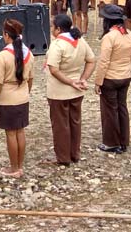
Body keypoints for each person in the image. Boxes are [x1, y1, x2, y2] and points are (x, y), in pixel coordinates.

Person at [45, 14, 96, 166]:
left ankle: (63, 157)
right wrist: (83, 79)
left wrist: (71, 81)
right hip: (76, 90)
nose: (51, 29)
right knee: (75, 122)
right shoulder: (79, 41)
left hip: (59, 90)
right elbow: (91, 60)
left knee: (61, 125)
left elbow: (54, 69)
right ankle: (74, 153)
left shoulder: (58, 44)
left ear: (58, 29)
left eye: (52, 27)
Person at [0, 18, 34, 178]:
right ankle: (20, 165)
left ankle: (13, 167)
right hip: (22, 96)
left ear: (6, 35)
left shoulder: (3, 56)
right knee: (20, 132)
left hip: (7, 98)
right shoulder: (28, 53)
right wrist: (26, 92)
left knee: (10, 133)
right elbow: (30, 79)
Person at [94, 5, 131, 153]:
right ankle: (124, 140)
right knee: (122, 108)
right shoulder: (130, 34)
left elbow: (103, 61)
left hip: (110, 78)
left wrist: (98, 81)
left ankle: (111, 142)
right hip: (125, 76)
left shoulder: (109, 37)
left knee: (110, 111)